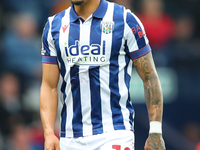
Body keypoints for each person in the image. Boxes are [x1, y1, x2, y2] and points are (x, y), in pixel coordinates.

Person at [40, 0, 166, 149]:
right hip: (70, 137)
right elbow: (49, 85)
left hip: (114, 132)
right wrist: (48, 132)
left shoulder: (125, 20)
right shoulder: (54, 25)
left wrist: (155, 132)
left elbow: (149, 76)